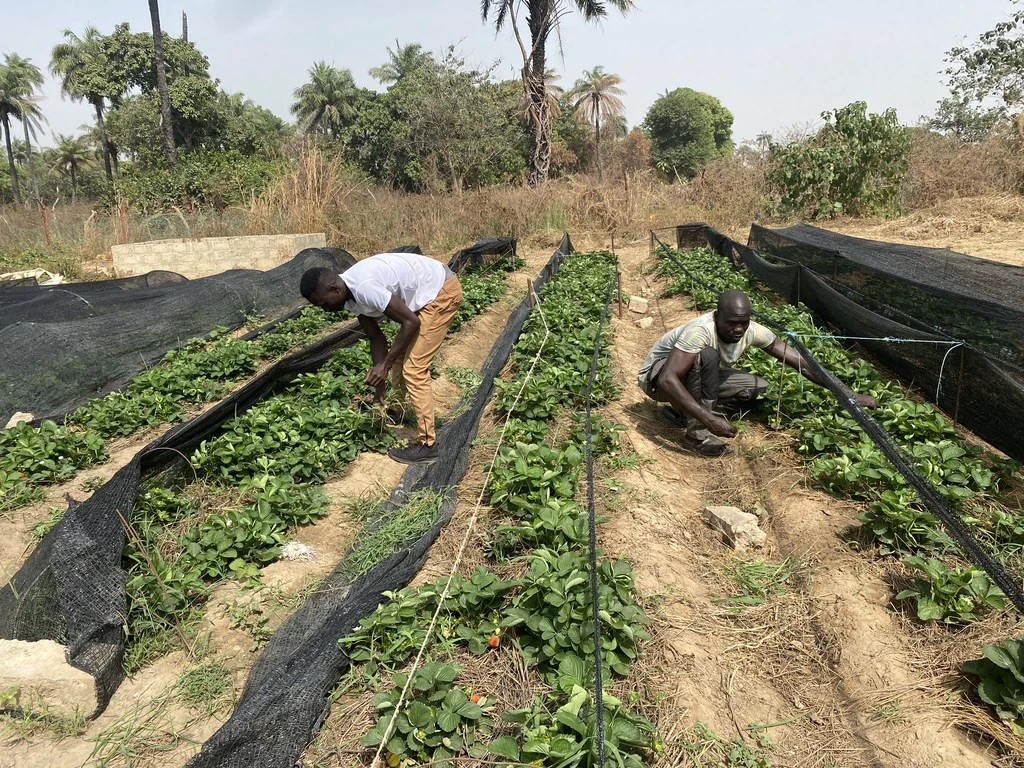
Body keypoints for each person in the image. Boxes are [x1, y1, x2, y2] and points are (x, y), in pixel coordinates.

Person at [637, 289, 877, 457]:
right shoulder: (700, 331)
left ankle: (683, 412)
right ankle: (696, 436)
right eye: (732, 323)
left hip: (687, 377)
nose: (739, 329)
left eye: (744, 322)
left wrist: (848, 394)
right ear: (717, 316)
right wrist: (708, 419)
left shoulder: (752, 330)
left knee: (756, 387)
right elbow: (669, 379)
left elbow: (802, 363)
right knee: (707, 356)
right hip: (656, 380)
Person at [300, 252, 463, 465]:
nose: (326, 309)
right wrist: (380, 388)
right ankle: (396, 409)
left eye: (324, 304)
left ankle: (427, 445)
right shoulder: (349, 297)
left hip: (441, 292)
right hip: (425, 294)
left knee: (414, 368)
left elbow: (410, 322)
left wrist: (383, 366)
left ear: (334, 290)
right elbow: (376, 337)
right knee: (397, 358)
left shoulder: (364, 287)